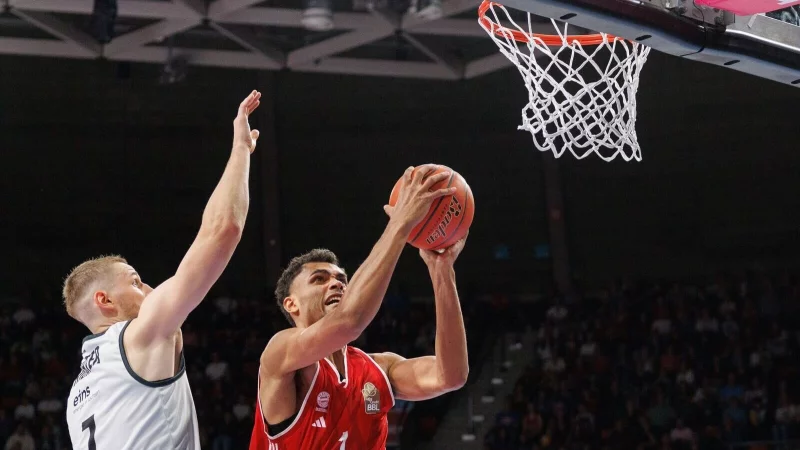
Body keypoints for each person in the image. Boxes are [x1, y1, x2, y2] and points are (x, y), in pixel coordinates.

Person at [63, 91, 262, 450]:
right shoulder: (139, 336)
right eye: (136, 281)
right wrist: (241, 150)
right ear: (104, 300)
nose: (151, 288)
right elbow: (223, 230)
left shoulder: (79, 393)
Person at [250, 164, 470, 449]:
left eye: (342, 279)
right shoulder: (280, 355)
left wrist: (442, 272)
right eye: (320, 279)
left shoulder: (378, 369)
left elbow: (450, 376)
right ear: (291, 304)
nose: (337, 283)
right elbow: (349, 322)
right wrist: (400, 223)